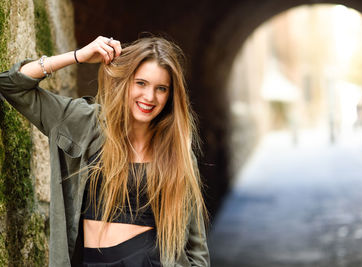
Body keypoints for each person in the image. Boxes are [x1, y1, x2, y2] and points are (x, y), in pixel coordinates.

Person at [0, 35, 210, 267]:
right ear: (125, 81)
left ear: (170, 95)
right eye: (141, 83)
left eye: (161, 88)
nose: (149, 97)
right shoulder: (85, 122)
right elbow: (11, 85)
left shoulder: (176, 150)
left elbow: (196, 248)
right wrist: (79, 55)